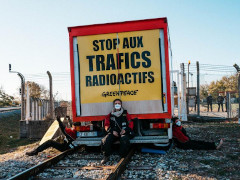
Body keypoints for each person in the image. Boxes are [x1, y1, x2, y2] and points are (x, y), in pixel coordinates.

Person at [101, 98, 133, 164]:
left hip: (123, 133)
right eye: (116, 103)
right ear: (113, 105)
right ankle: (106, 156)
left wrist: (125, 130)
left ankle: (123, 157)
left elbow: (131, 124)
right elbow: (106, 125)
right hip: (114, 132)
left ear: (121, 105)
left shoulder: (125, 113)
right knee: (106, 140)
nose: (117, 105)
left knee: (124, 140)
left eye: (119, 103)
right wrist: (112, 131)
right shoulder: (110, 115)